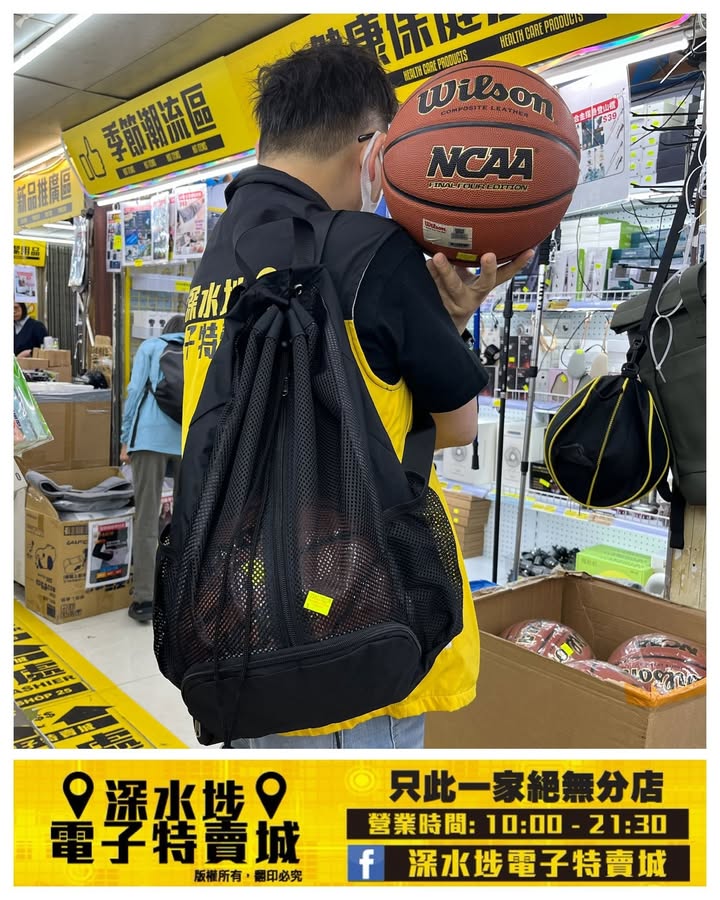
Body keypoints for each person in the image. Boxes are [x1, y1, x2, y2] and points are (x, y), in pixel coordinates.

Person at [182, 41, 533, 748]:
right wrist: (450, 320)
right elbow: (456, 425)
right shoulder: (370, 251)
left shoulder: (219, 256)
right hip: (353, 628)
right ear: (372, 150)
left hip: (241, 624)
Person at [121, 314, 185, 623]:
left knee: (147, 517)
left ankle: (145, 598)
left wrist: (125, 439)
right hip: (186, 442)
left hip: (148, 439)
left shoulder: (150, 347)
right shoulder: (202, 350)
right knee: (187, 518)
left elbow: (135, 393)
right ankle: (180, 592)